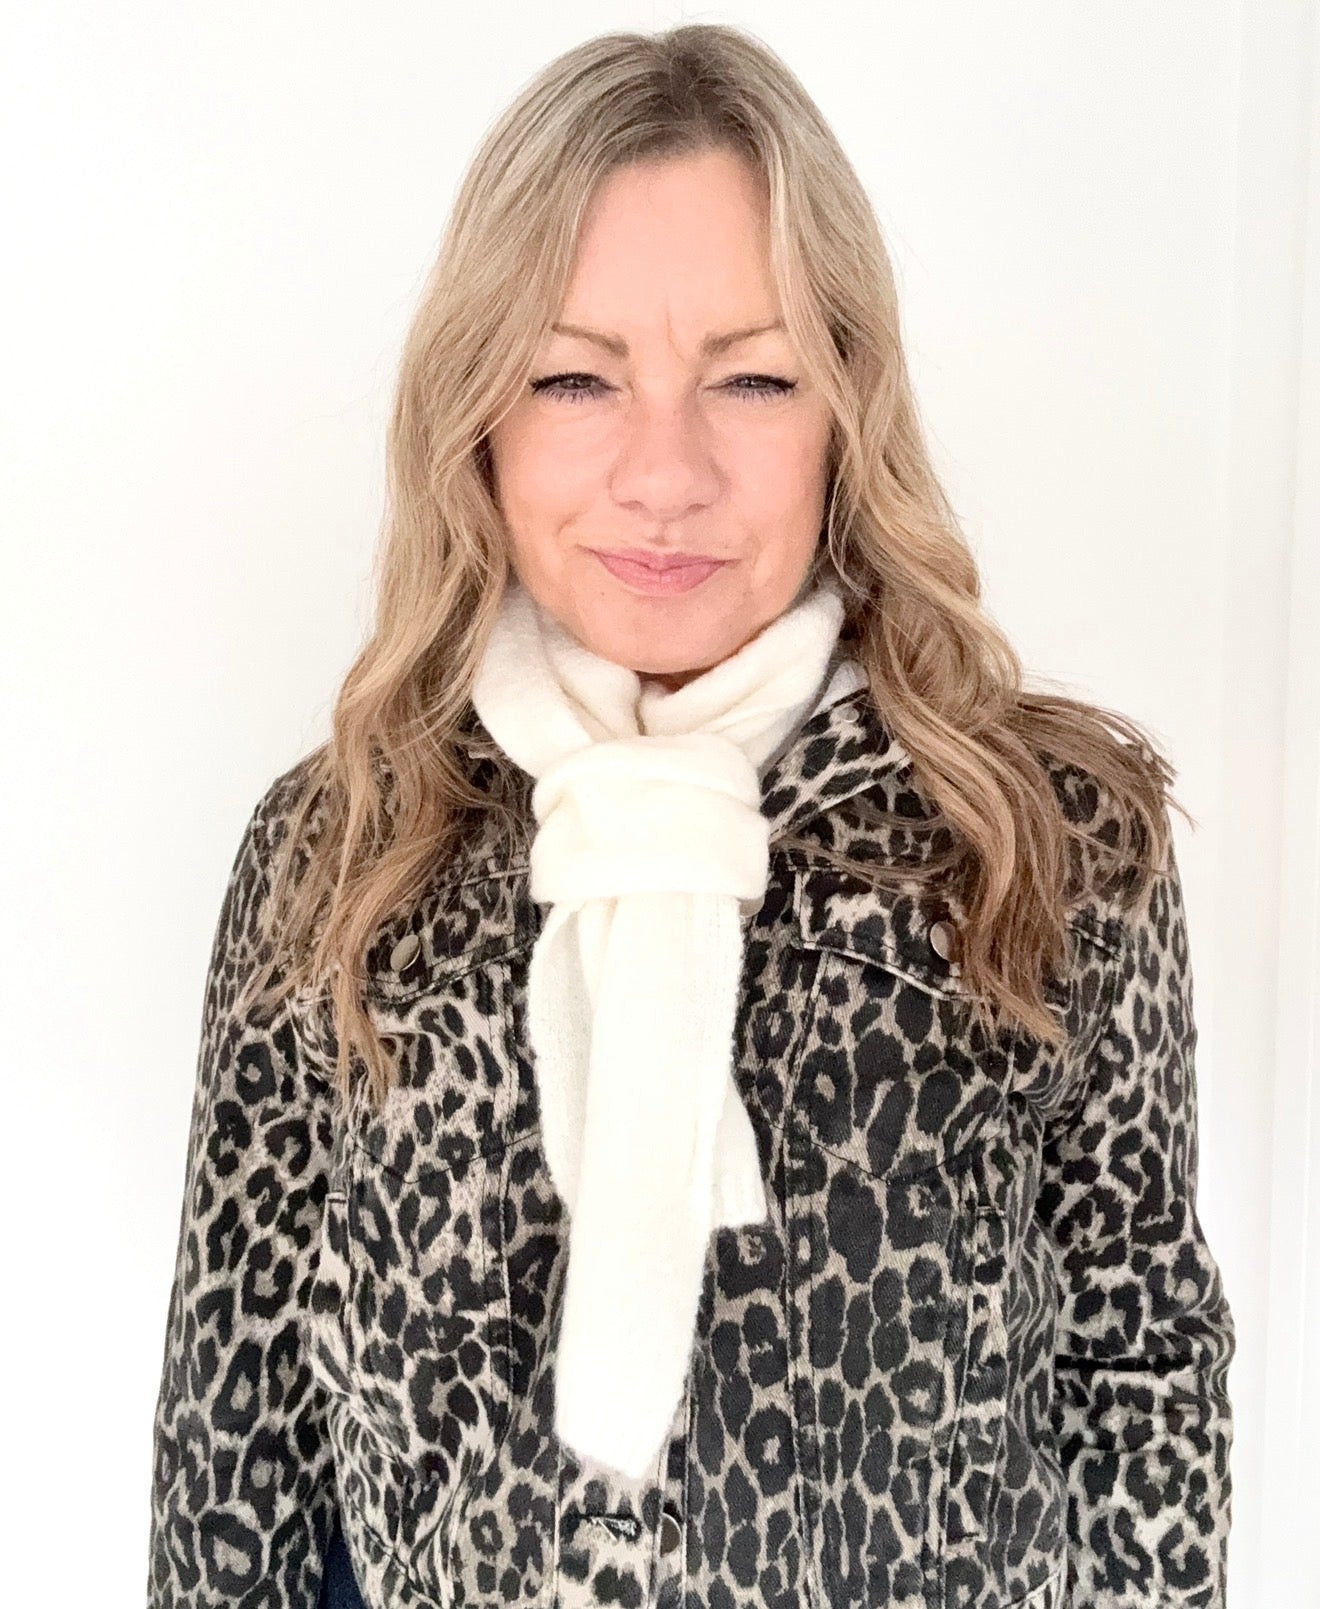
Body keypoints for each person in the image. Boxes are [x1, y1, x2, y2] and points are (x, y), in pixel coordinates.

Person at [146, 22, 1235, 1609]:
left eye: (755, 377)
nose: (667, 473)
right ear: (478, 413)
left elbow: (1143, 1360)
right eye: (575, 377)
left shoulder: (1044, 835)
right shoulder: (345, 846)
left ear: (847, 408)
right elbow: (236, 1446)